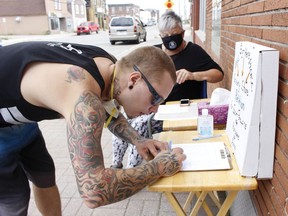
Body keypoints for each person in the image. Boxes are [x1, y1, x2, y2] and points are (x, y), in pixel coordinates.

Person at [0, 41, 186, 216]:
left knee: (44, 174)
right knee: (15, 199)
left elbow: (108, 110)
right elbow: (94, 190)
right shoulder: (83, 96)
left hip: (19, 118)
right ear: (134, 80)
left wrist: (138, 140)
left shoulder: (108, 66)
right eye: (156, 99)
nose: (154, 109)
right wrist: (158, 167)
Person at [111, 10, 224, 169]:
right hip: (151, 108)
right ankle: (116, 164)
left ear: (183, 33)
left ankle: (132, 170)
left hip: (177, 110)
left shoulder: (194, 52)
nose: (170, 39)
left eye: (174, 34)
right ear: (160, 36)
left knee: (138, 126)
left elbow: (218, 74)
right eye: (165, 35)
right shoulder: (154, 55)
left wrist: (193, 75)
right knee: (122, 120)